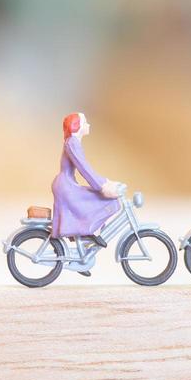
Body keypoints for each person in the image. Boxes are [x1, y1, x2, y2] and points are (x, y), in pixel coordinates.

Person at [51, 113, 124, 268]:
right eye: (85, 122)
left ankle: (87, 238)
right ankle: (89, 233)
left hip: (67, 184)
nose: (88, 125)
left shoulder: (73, 142)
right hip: (66, 187)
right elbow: (84, 168)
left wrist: (104, 181)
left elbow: (87, 168)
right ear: (78, 126)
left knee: (95, 200)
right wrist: (102, 186)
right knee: (101, 199)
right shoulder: (72, 143)